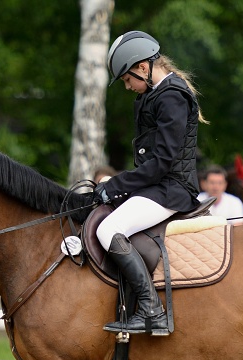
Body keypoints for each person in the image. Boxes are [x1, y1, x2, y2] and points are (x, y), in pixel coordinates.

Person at [93, 30, 206, 336]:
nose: (127, 86)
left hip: (172, 189)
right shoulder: (155, 95)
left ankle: (151, 310)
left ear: (143, 67)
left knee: (108, 229)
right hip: (156, 186)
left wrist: (115, 185)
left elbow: (162, 163)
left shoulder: (171, 97)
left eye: (128, 79)